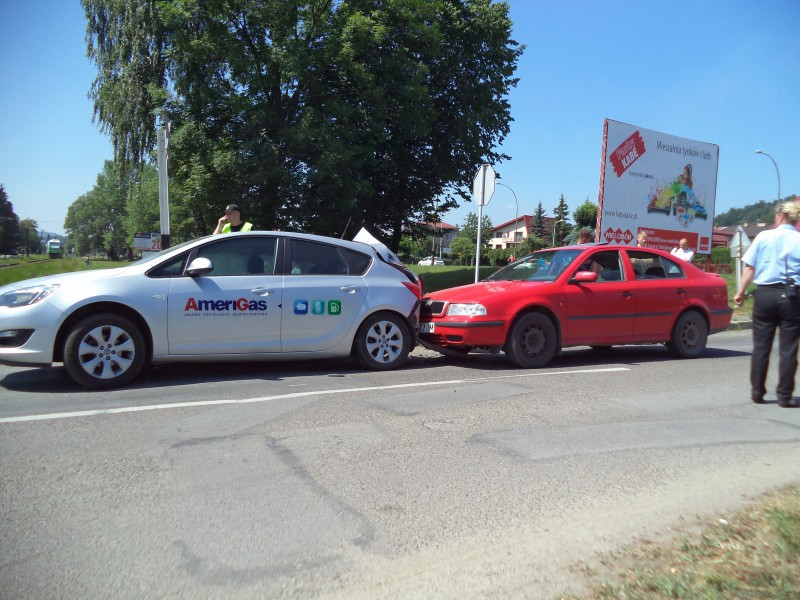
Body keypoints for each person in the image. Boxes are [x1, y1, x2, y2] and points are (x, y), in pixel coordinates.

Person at [734, 201, 800, 407]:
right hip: (792, 296)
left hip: (764, 295)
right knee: (788, 349)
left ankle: (757, 392)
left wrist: (740, 292)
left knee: (761, 346)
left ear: (780, 216)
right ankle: (784, 395)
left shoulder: (763, 236)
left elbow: (749, 268)